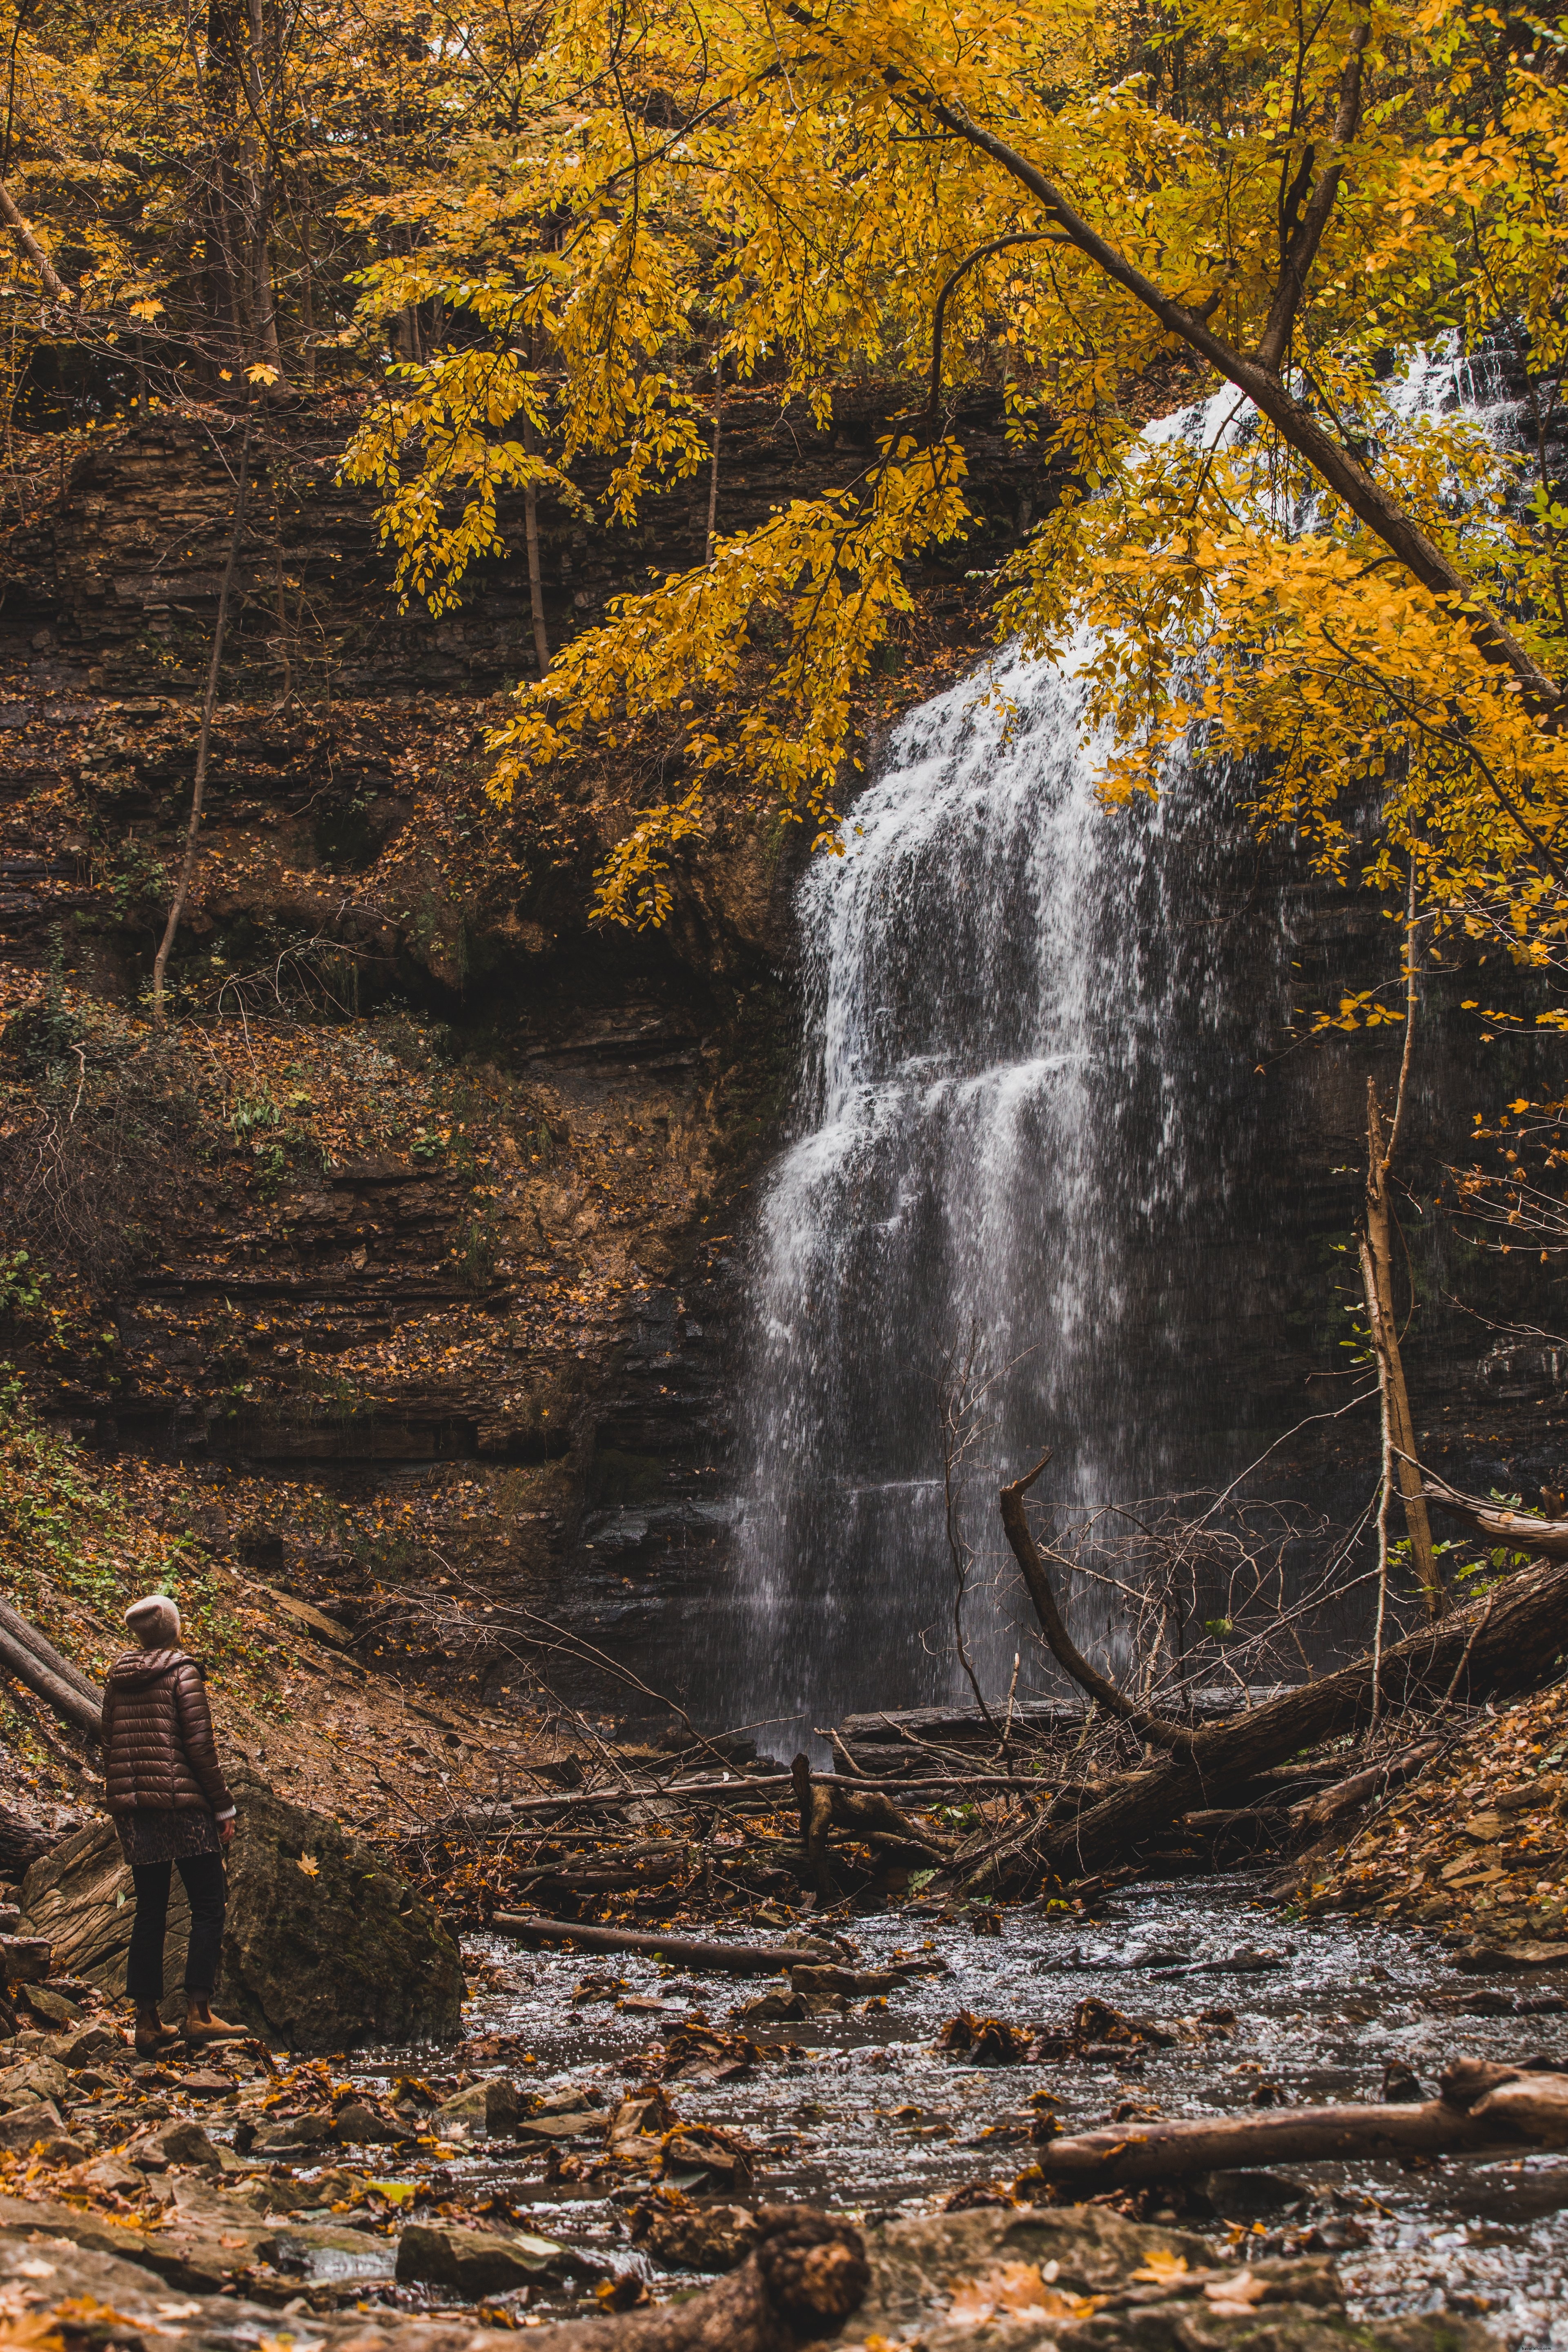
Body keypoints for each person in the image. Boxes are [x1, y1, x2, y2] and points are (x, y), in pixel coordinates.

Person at [100, 1594, 244, 2056]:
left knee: (150, 1911)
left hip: (138, 1810)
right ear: (173, 1628)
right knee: (208, 1904)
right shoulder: (183, 1672)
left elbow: (109, 1743)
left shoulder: (117, 1679)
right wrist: (222, 1807)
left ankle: (147, 2022)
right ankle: (199, 2013)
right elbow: (200, 1747)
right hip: (183, 1808)